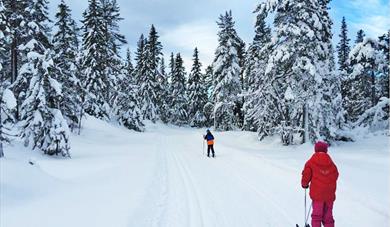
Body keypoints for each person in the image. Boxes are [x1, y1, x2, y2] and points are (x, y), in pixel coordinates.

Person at [301, 141, 339, 227]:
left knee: (317, 216)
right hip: (329, 195)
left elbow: (306, 174)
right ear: (326, 150)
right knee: (328, 217)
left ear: (316, 149)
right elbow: (336, 174)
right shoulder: (330, 161)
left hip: (318, 195)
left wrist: (304, 184)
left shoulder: (311, 161)